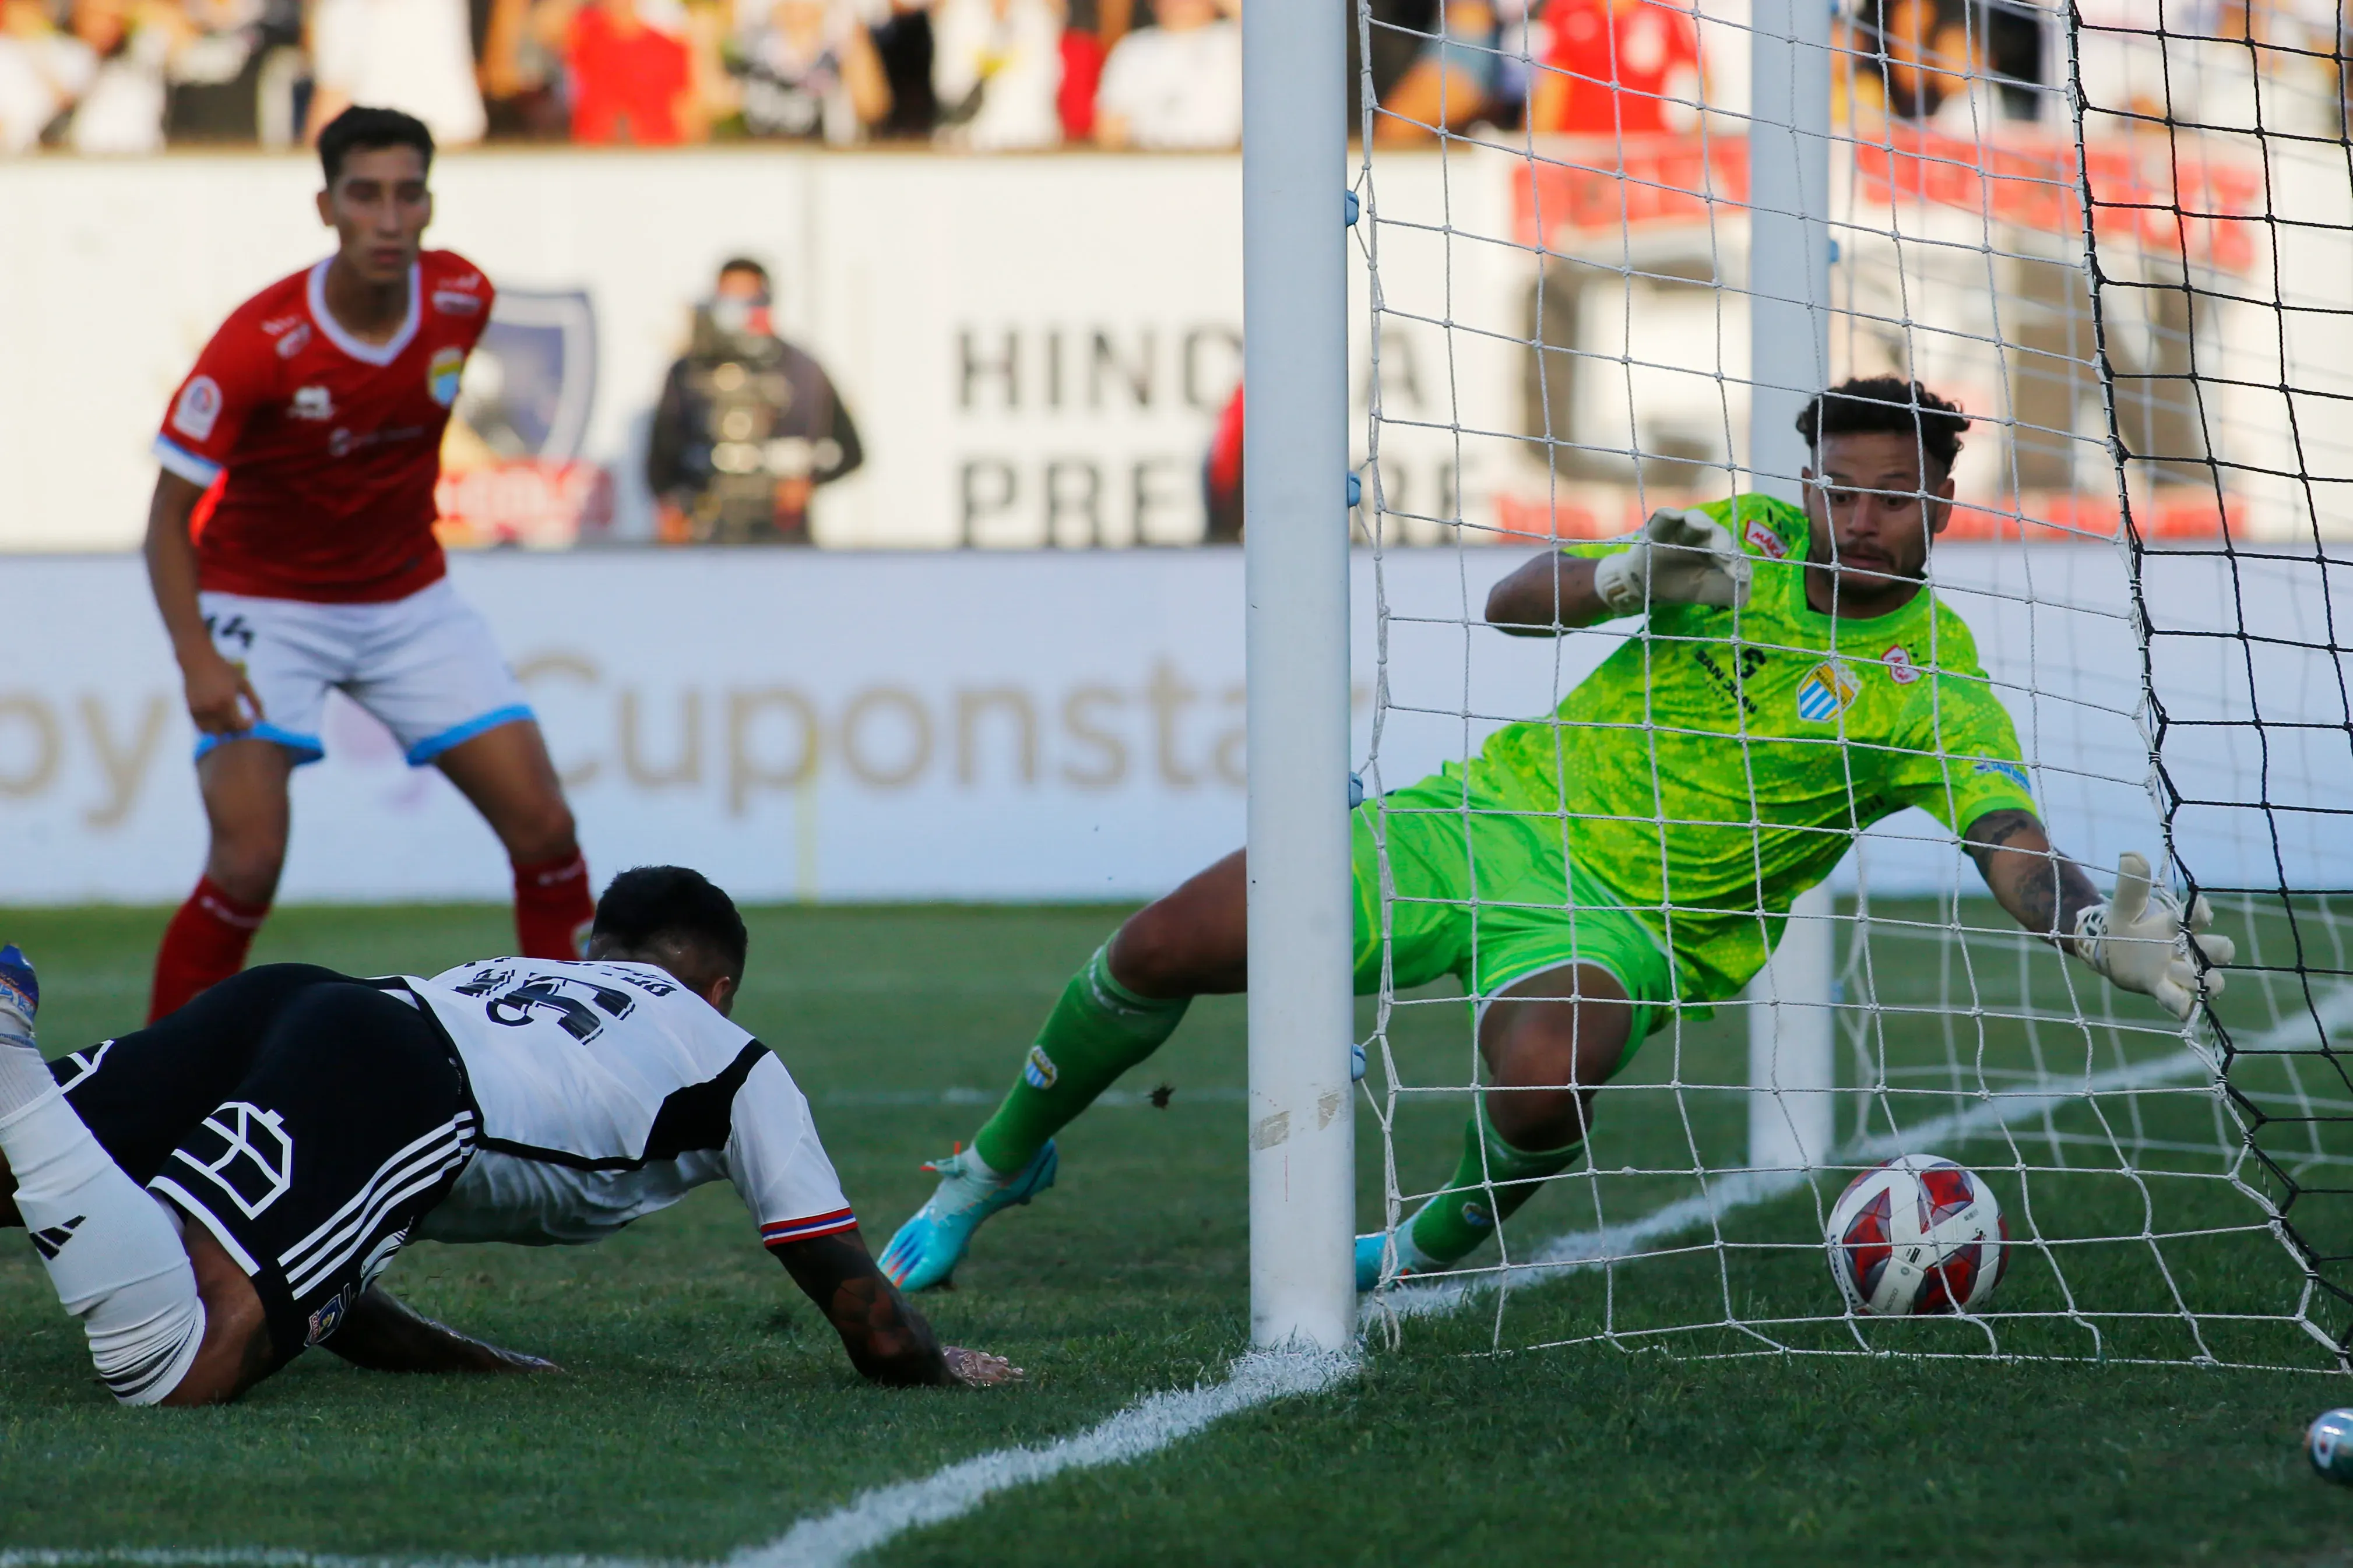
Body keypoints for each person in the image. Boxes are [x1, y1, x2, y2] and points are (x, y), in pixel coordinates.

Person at [878, 377, 2237, 1292]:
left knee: (1543, 1077)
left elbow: (2003, 837)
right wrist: (1624, 575)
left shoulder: (1929, 683)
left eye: (1888, 495)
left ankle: (1418, 1244)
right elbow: (1513, 607)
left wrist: (2080, 919)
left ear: (1941, 506)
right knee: (1165, 942)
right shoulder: (1741, 538)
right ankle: (997, 1163)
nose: (1856, 517)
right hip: (1482, 820)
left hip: (1626, 924)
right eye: (1836, 487)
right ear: (1805, 483)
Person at [0, 866, 1021, 1406]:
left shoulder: (513, 973)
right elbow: (868, 1320)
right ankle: (9, 1048)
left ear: (592, 952)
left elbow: (332, 1277)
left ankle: (10, 1053)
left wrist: (487, 1364)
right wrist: (932, 1365)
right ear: (721, 988)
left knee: (18, 1156)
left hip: (312, 998)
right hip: (403, 1077)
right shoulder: (734, 1054)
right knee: (175, 1366)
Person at [144, 106, 593, 1024]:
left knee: (547, 829)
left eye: (407, 195)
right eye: (365, 196)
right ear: (327, 207)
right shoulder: (256, 344)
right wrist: (197, 656)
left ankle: (571, 1066)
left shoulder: (463, 298)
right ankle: (147, 1094)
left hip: (406, 598)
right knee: (249, 860)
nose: (389, 219)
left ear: (429, 205)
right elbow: (165, 522)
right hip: (261, 606)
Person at [645, 258, 864, 545]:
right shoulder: (689, 371)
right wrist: (671, 507)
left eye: (747, 298)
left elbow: (851, 452)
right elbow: (661, 454)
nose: (736, 309)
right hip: (708, 528)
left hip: (781, 530)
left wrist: (807, 483)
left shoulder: (802, 370)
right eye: (728, 298)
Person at [1091, 0, 1237, 150]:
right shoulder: (1133, 48)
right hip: (1148, 163)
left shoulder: (1234, 39)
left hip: (1218, 162)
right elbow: (1110, 128)